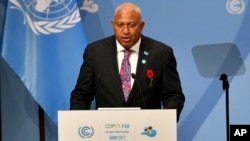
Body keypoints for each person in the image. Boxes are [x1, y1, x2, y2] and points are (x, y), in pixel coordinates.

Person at [70, 2, 185, 121]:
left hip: (147, 131)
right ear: (112, 25)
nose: (125, 31)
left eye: (131, 25)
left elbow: (173, 96)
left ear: (141, 26)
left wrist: (165, 124)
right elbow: (82, 95)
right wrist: (78, 126)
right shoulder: (95, 52)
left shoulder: (161, 53)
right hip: (106, 129)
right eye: (120, 25)